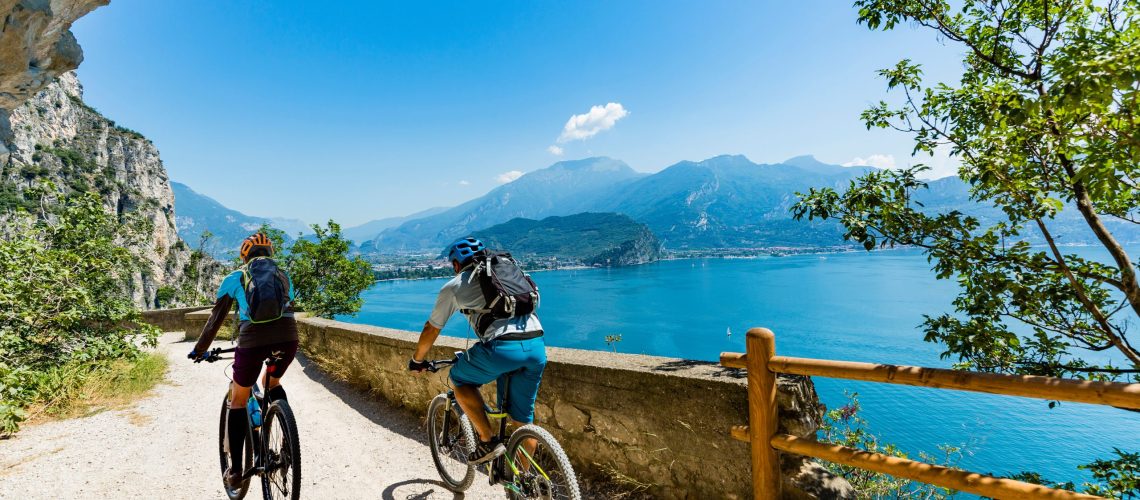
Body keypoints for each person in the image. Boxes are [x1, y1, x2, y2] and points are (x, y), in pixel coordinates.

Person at [409, 236, 547, 464]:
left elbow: (430, 329)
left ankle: (487, 440)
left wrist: (417, 360)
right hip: (536, 346)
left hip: (502, 349)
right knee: (523, 422)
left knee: (459, 379)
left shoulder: (454, 286)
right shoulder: (507, 274)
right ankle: (523, 481)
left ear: (456, 264)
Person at [188, 233, 299, 489]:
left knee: (239, 399)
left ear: (244, 256)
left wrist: (199, 350)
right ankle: (287, 442)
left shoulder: (235, 277)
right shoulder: (283, 275)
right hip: (287, 339)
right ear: (270, 254)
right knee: (272, 381)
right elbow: (289, 309)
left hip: (252, 342)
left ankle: (236, 472)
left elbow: (215, 320)